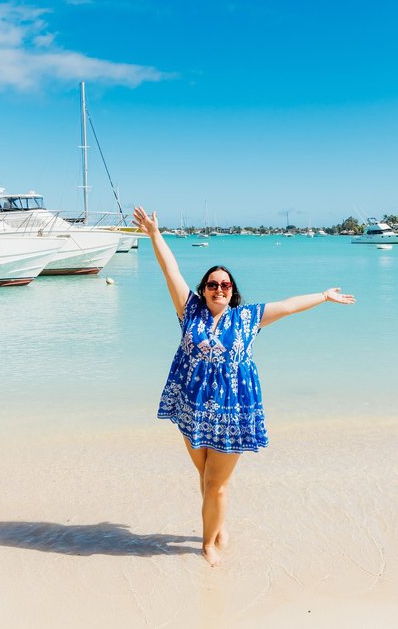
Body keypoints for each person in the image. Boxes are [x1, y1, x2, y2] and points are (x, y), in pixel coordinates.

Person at [132, 206, 356, 567]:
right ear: (204, 289)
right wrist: (155, 235)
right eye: (212, 284)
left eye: (225, 284)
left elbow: (288, 305)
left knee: (216, 483)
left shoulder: (248, 317)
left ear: (231, 290)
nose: (218, 288)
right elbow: (170, 270)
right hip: (193, 406)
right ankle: (217, 526)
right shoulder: (188, 310)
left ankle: (209, 545)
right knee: (206, 478)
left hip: (233, 410)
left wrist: (323, 296)